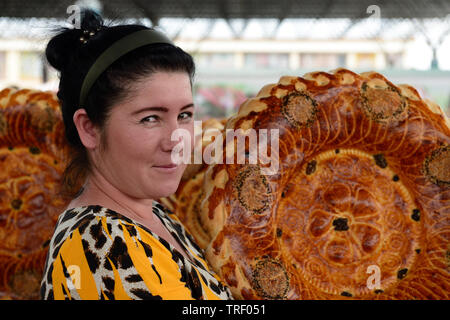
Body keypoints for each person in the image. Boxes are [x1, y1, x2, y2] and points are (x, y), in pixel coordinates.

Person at [40, 9, 232, 300]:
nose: (176, 140)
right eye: (150, 118)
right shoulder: (105, 249)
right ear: (89, 128)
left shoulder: (153, 213)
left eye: (184, 115)